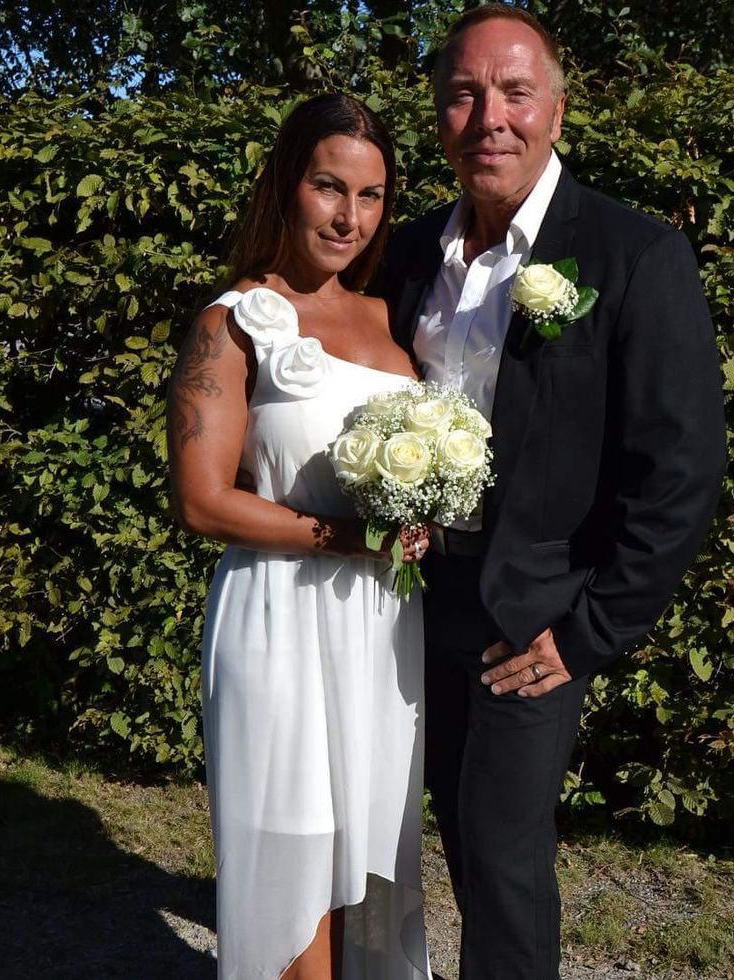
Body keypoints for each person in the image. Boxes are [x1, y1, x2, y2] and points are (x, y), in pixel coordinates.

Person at [374, 6, 727, 978]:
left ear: (557, 112)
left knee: (503, 857)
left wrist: (585, 632)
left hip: (531, 620)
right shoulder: (409, 252)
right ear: (439, 117)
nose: (489, 116)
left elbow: (681, 469)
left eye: (515, 92)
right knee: (454, 831)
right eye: (463, 94)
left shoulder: (632, 253)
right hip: (415, 600)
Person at [167, 94, 432, 980]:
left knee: (369, 858)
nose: (349, 216)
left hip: (380, 631)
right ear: (287, 185)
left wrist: (423, 512)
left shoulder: (391, 320)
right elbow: (202, 502)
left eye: (371, 195)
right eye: (328, 186)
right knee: (292, 863)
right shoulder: (234, 320)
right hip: (278, 620)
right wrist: (346, 535)